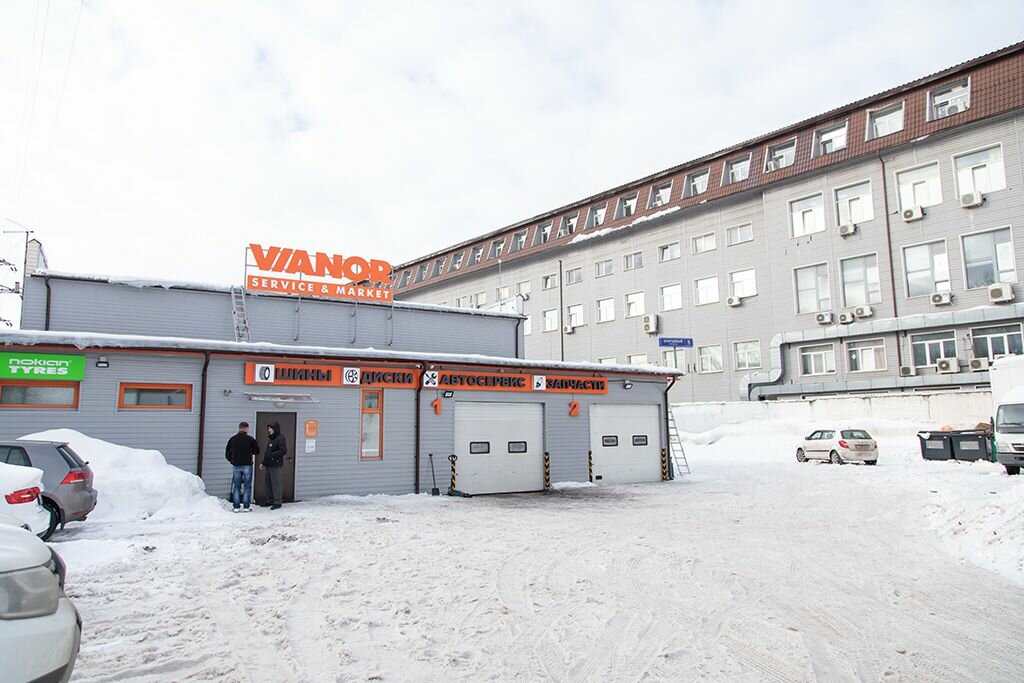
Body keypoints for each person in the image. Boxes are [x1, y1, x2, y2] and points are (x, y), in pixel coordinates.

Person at [225, 421, 260, 512]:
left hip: (236, 465)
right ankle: (246, 506)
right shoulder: (250, 439)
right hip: (247, 465)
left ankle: (236, 506)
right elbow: (257, 451)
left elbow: (227, 452)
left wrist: (231, 460)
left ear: (239, 428)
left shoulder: (233, 439)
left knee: (236, 486)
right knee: (247, 486)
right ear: (246, 428)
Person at [260, 422, 287, 510]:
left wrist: (272, 455)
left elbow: (283, 450)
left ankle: (277, 502)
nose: (268, 430)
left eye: (270, 428)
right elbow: (267, 452)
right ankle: (270, 500)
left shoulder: (280, 438)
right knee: (268, 484)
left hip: (275, 464)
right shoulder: (271, 438)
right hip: (268, 464)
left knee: (276, 484)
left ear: (274, 428)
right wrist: (263, 462)